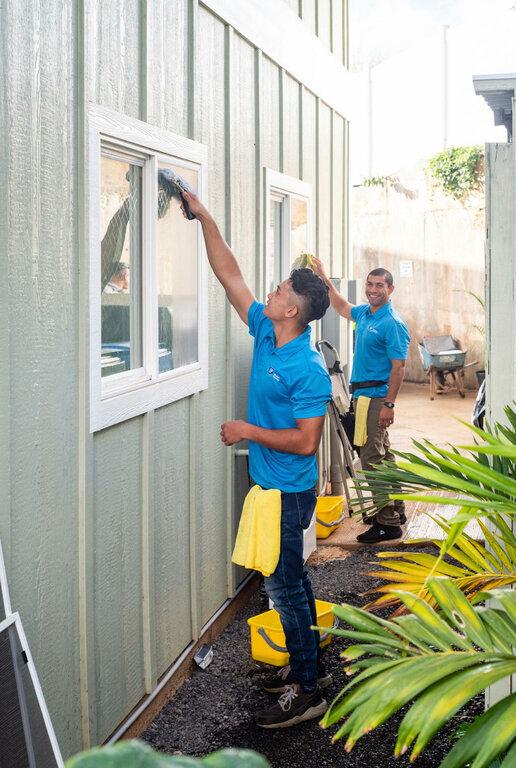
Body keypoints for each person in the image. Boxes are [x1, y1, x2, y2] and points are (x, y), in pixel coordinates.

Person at [180, 188, 332, 729]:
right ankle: (302, 665)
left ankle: (308, 689)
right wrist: (206, 218)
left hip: (290, 491)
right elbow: (231, 277)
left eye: (281, 287)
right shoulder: (268, 330)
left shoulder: (307, 367)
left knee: (284, 585)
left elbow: (306, 441)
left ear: (292, 309)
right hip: (269, 486)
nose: (270, 290)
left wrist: (247, 430)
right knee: (286, 581)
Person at [313, 260, 411, 544]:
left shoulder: (392, 323)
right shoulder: (367, 315)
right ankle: (395, 510)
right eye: (370, 284)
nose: (373, 289)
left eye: (380, 285)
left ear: (391, 289)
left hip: (378, 396)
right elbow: (342, 306)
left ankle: (387, 523)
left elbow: (399, 367)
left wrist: (389, 404)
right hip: (364, 396)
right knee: (384, 456)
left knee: (371, 460)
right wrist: (322, 277)